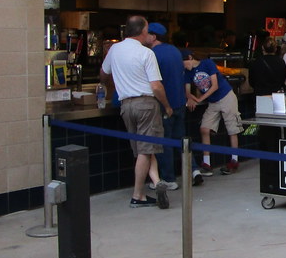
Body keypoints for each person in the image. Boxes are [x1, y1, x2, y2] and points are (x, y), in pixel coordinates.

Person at [99, 15, 173, 209]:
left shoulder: (114, 49)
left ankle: (157, 182)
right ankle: (137, 195)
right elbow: (156, 86)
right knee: (145, 150)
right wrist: (166, 105)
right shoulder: (146, 53)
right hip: (146, 104)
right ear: (142, 31)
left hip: (126, 105)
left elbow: (103, 74)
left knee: (147, 149)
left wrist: (109, 86)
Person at [147, 22, 203, 189]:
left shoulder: (152, 54)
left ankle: (169, 179)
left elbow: (155, 83)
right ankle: (194, 170)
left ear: (154, 36)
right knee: (182, 140)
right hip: (180, 102)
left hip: (165, 104)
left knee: (165, 142)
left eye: (147, 33)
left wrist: (165, 105)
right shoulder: (175, 51)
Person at [183, 49, 243, 175]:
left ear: (189, 58)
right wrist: (190, 97)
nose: (183, 66)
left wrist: (199, 99)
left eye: (183, 62)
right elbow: (187, 90)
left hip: (226, 96)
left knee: (232, 129)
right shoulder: (188, 72)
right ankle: (207, 163)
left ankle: (234, 160)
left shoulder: (207, 63)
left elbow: (214, 85)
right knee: (204, 128)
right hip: (213, 101)